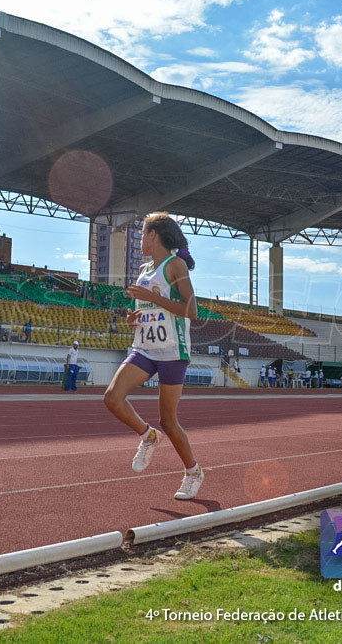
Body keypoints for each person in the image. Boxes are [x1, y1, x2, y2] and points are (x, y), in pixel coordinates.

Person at [103, 213, 204, 500]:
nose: (139, 240)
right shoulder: (145, 269)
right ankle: (147, 436)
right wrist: (133, 319)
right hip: (144, 347)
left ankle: (193, 472)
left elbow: (192, 310)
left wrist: (156, 300)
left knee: (168, 421)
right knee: (112, 397)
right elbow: (147, 310)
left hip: (173, 350)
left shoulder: (175, 265)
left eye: (143, 233)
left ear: (154, 235)